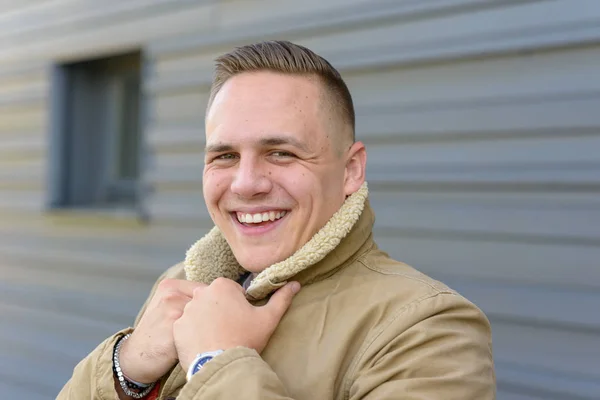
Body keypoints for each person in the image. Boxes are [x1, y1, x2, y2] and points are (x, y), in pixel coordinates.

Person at [58, 40, 496, 400]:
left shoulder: (426, 328)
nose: (246, 184)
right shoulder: (182, 286)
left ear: (351, 171)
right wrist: (126, 372)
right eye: (225, 156)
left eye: (281, 153)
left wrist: (215, 363)